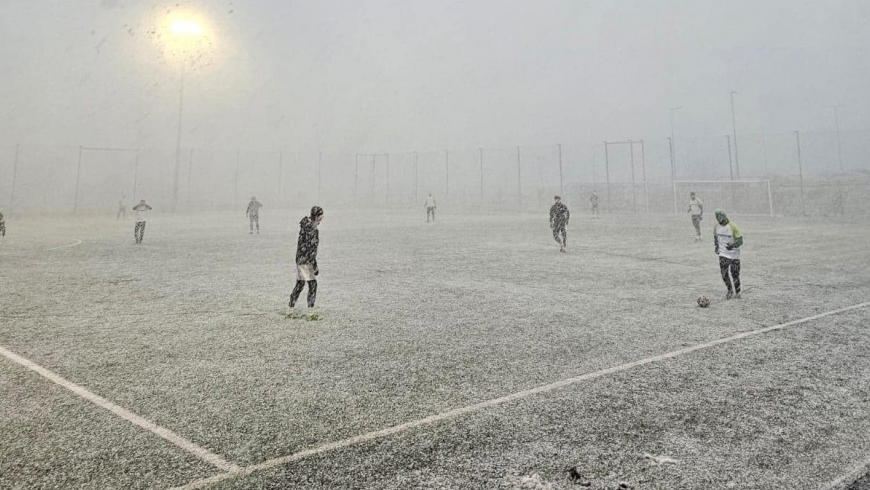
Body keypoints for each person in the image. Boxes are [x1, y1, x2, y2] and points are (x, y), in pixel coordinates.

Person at [289, 206, 324, 308]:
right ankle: (310, 308)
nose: (322, 218)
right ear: (316, 216)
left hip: (304, 259)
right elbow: (309, 248)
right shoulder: (310, 228)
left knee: (300, 284)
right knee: (312, 285)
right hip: (305, 260)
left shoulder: (310, 226)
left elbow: (311, 249)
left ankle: (291, 305)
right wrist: (314, 264)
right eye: (321, 216)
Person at [713, 209, 743, 299]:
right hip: (723, 254)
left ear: (725, 216)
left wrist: (733, 245)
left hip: (734, 254)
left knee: (735, 274)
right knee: (724, 273)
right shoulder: (716, 227)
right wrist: (717, 247)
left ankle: (738, 292)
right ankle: (729, 290)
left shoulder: (733, 227)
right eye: (717, 217)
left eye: (720, 217)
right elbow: (715, 238)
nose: (719, 219)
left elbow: (740, 240)